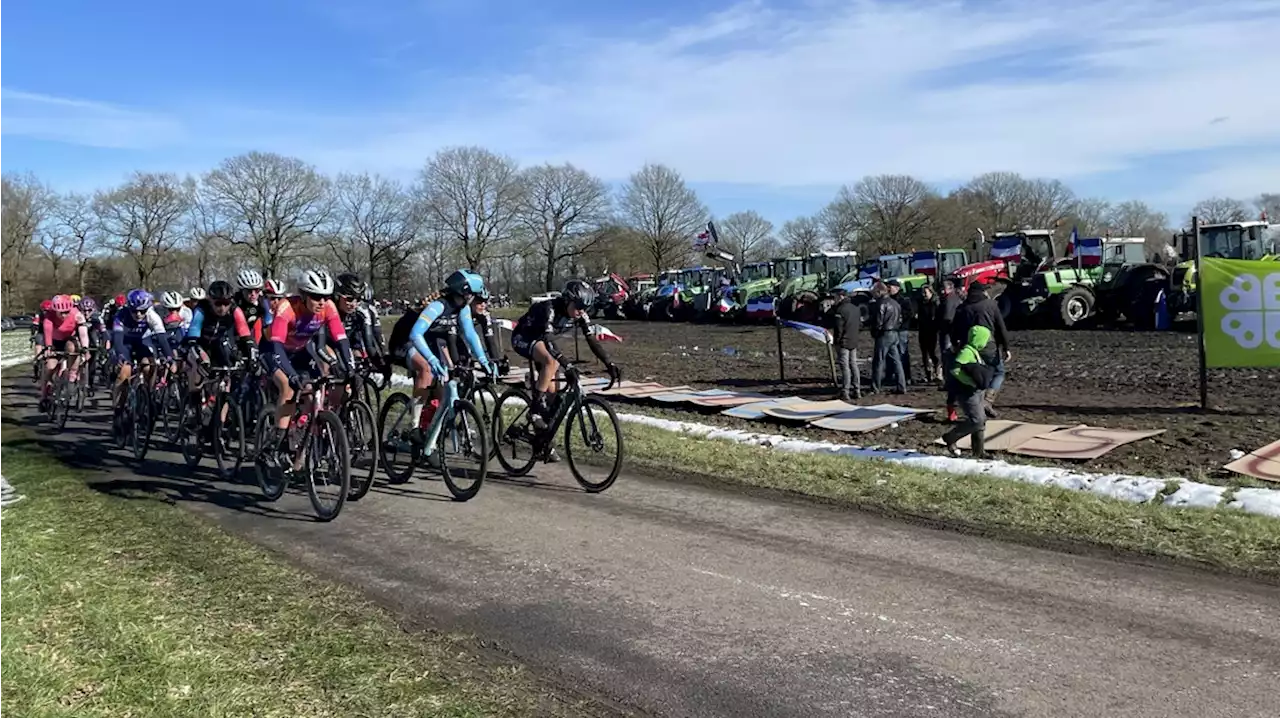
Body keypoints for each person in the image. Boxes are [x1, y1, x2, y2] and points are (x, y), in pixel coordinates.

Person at [387, 270, 496, 438]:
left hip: (429, 340)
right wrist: (431, 359)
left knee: (445, 387)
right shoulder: (438, 305)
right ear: (465, 293)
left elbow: (470, 334)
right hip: (405, 340)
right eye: (474, 294)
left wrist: (483, 359)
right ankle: (414, 426)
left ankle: (430, 432)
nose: (476, 299)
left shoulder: (463, 307)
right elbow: (415, 334)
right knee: (427, 369)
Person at [510, 278, 621, 431]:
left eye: (586, 307)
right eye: (579, 306)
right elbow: (549, 341)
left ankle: (542, 440)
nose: (582, 311)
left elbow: (592, 340)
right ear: (568, 300)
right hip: (523, 337)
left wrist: (609, 363)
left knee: (552, 396)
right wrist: (567, 365)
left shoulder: (580, 315)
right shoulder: (549, 309)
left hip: (542, 341)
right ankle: (534, 412)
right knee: (552, 362)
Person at [265, 270, 354, 445]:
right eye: (315, 297)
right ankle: (276, 440)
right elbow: (276, 347)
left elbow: (341, 338)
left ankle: (300, 436)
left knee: (315, 392)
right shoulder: (286, 308)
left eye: (326, 297)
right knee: (288, 386)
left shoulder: (328, 307)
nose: (322, 302)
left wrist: (349, 366)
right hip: (273, 350)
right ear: (304, 295)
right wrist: (292, 375)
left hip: (300, 350)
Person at [183, 280, 255, 423]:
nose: (222, 307)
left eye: (226, 303)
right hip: (199, 343)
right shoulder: (201, 308)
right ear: (210, 300)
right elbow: (194, 331)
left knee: (227, 375)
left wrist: (251, 354)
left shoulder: (235, 309)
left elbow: (245, 333)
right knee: (199, 367)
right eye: (218, 303)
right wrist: (198, 352)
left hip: (219, 345)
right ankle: (193, 403)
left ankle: (219, 422)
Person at [950, 281, 1011, 418]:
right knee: (999, 372)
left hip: (969, 348)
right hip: (989, 346)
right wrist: (1006, 347)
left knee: (977, 375)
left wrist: (955, 344)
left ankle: (978, 409)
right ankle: (988, 400)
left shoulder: (962, 308)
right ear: (983, 291)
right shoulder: (991, 305)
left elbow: (955, 329)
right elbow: (1001, 327)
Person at [110, 289, 173, 417]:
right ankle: (117, 409)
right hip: (124, 343)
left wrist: (169, 356)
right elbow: (117, 339)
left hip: (142, 342)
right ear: (129, 308)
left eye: (142, 311)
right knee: (124, 373)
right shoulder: (121, 315)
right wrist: (120, 355)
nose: (138, 314)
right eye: (134, 311)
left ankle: (148, 395)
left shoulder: (152, 315)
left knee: (149, 365)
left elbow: (161, 337)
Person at [940, 325, 996, 458]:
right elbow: (955, 370)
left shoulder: (974, 351)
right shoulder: (967, 352)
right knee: (977, 420)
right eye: (986, 339)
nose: (988, 342)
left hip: (975, 391)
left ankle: (979, 452)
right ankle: (950, 437)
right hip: (967, 392)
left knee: (980, 421)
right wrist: (969, 382)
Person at [38, 295, 90, 409]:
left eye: (66, 312)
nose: (64, 315)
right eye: (60, 313)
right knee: (50, 367)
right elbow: (47, 333)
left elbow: (83, 332)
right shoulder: (49, 316)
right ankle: (44, 395)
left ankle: (72, 374)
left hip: (69, 339)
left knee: (73, 348)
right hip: (54, 341)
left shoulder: (77, 314)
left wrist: (85, 347)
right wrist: (48, 347)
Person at [868, 282, 905, 394]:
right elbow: (900, 319)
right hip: (894, 333)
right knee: (896, 361)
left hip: (884, 334)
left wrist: (875, 332)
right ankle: (901, 385)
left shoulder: (881, 304)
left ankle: (876, 387)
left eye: (875, 292)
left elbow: (879, 322)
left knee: (878, 361)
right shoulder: (895, 303)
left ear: (879, 292)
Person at [827, 288, 861, 402]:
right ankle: (857, 390)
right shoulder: (856, 309)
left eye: (835, 297)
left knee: (845, 367)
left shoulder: (840, 310)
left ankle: (845, 391)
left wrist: (836, 342)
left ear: (840, 297)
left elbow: (838, 329)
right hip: (853, 340)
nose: (833, 300)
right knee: (853, 365)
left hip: (843, 342)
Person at [886, 279, 913, 385]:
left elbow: (909, 313)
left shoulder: (904, 300)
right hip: (892, 330)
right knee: (890, 354)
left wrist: (900, 319)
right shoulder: (888, 300)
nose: (888, 289)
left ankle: (906, 376)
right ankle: (891, 375)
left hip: (901, 330)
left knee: (902, 353)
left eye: (890, 287)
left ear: (896, 288)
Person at [234, 269, 272, 344]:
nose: (253, 294)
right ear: (241, 290)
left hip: (254, 339)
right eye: (249, 291)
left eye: (257, 290)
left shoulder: (262, 303)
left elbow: (266, 328)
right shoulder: (234, 302)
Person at [917, 284, 941, 382]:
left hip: (933, 331)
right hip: (923, 331)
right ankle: (928, 374)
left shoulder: (935, 303)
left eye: (925, 292)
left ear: (931, 292)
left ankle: (938, 371)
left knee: (933, 352)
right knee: (925, 354)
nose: (924, 295)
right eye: (923, 293)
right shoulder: (921, 303)